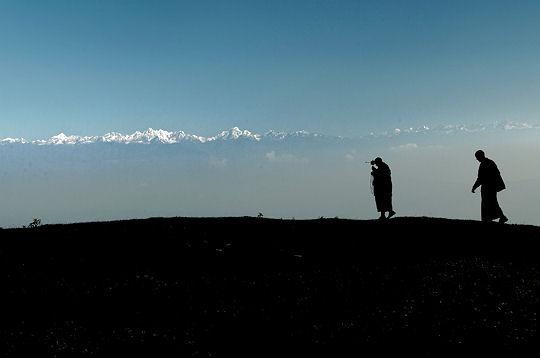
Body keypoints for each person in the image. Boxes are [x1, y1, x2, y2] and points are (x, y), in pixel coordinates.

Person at [471, 150, 508, 223]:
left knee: (489, 203)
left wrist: (474, 187)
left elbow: (480, 178)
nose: (477, 159)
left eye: (477, 157)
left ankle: (496, 217)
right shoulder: (490, 162)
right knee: (492, 202)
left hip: (487, 187)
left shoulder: (484, 164)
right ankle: (491, 218)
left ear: (480, 156)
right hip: (492, 187)